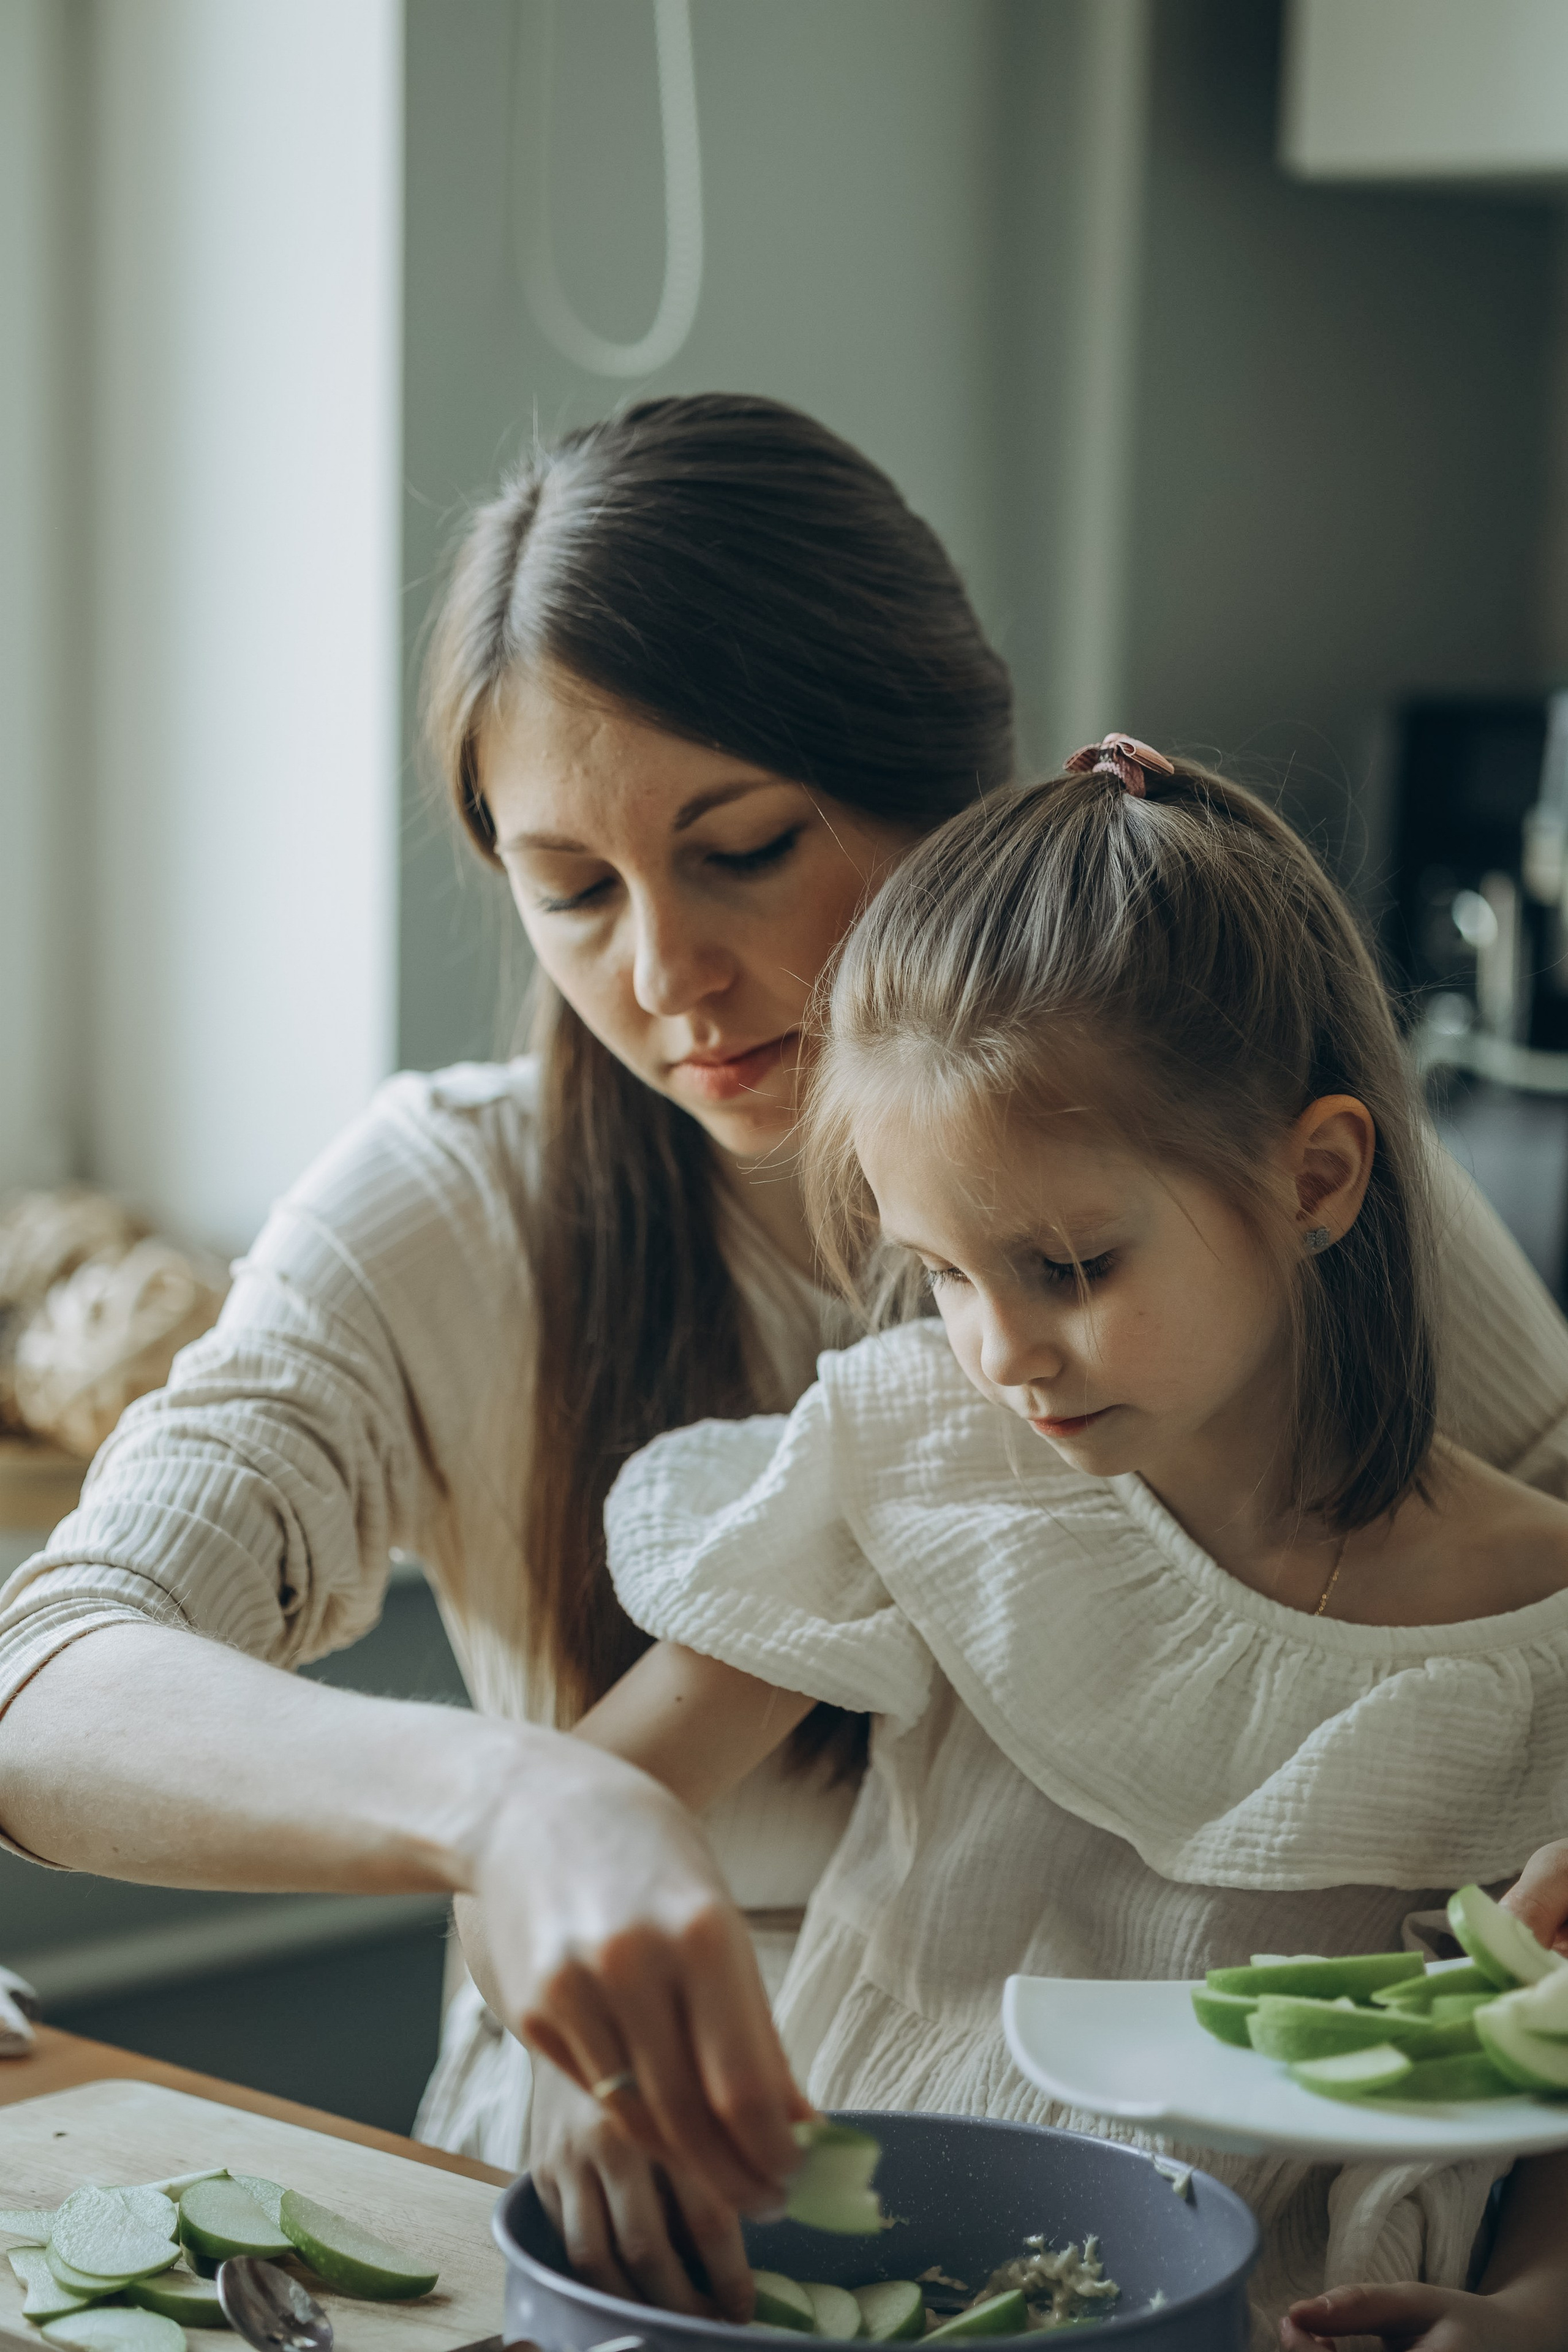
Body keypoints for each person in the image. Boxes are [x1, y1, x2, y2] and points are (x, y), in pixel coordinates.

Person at [0, 394, 1564, 2316]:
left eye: (739, 849)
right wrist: (517, 1801)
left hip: (1174, 2244)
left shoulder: (1227, 1167)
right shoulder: (450, 1205)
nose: (663, 973)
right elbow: (49, 1681)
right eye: (570, 890)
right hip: (649, 2220)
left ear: (951, 785)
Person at [575, 743, 1568, 2348]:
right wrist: (625, 2059)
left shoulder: (1539, 1636)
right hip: (845, 2272)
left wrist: (1535, 2310)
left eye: (1067, 1264)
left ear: (1315, 1179)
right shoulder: (931, 1452)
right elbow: (578, 1812)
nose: (1002, 1351)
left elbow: (1544, 2089)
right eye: (946, 1276)